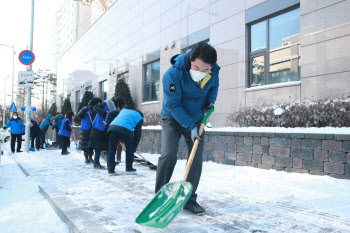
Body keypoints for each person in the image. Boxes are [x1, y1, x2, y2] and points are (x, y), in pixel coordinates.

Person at [155, 41, 220, 215]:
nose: (200, 72)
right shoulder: (173, 74)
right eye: (197, 67)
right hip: (173, 118)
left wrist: (209, 102)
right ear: (191, 59)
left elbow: (213, 87)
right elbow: (174, 105)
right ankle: (160, 198)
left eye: (205, 69)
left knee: (195, 160)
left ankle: (189, 200)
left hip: (198, 119)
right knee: (169, 155)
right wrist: (190, 126)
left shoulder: (214, 71)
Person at [107, 108, 143, 174]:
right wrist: (134, 147)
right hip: (126, 129)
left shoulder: (124, 110)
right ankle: (129, 168)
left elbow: (111, 113)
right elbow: (137, 133)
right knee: (129, 149)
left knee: (111, 149)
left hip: (112, 128)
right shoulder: (140, 117)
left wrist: (107, 122)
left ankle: (110, 170)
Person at [88, 97, 118, 169]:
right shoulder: (106, 104)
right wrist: (105, 113)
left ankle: (110, 162)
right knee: (98, 147)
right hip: (98, 128)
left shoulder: (114, 108)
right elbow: (95, 107)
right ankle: (96, 163)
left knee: (108, 147)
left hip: (105, 129)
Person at [77, 97, 102, 164]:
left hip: (94, 128)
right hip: (86, 129)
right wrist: (84, 110)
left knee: (92, 144)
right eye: (98, 103)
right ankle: (86, 158)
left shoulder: (97, 109)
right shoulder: (86, 108)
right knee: (85, 144)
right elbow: (79, 116)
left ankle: (91, 157)